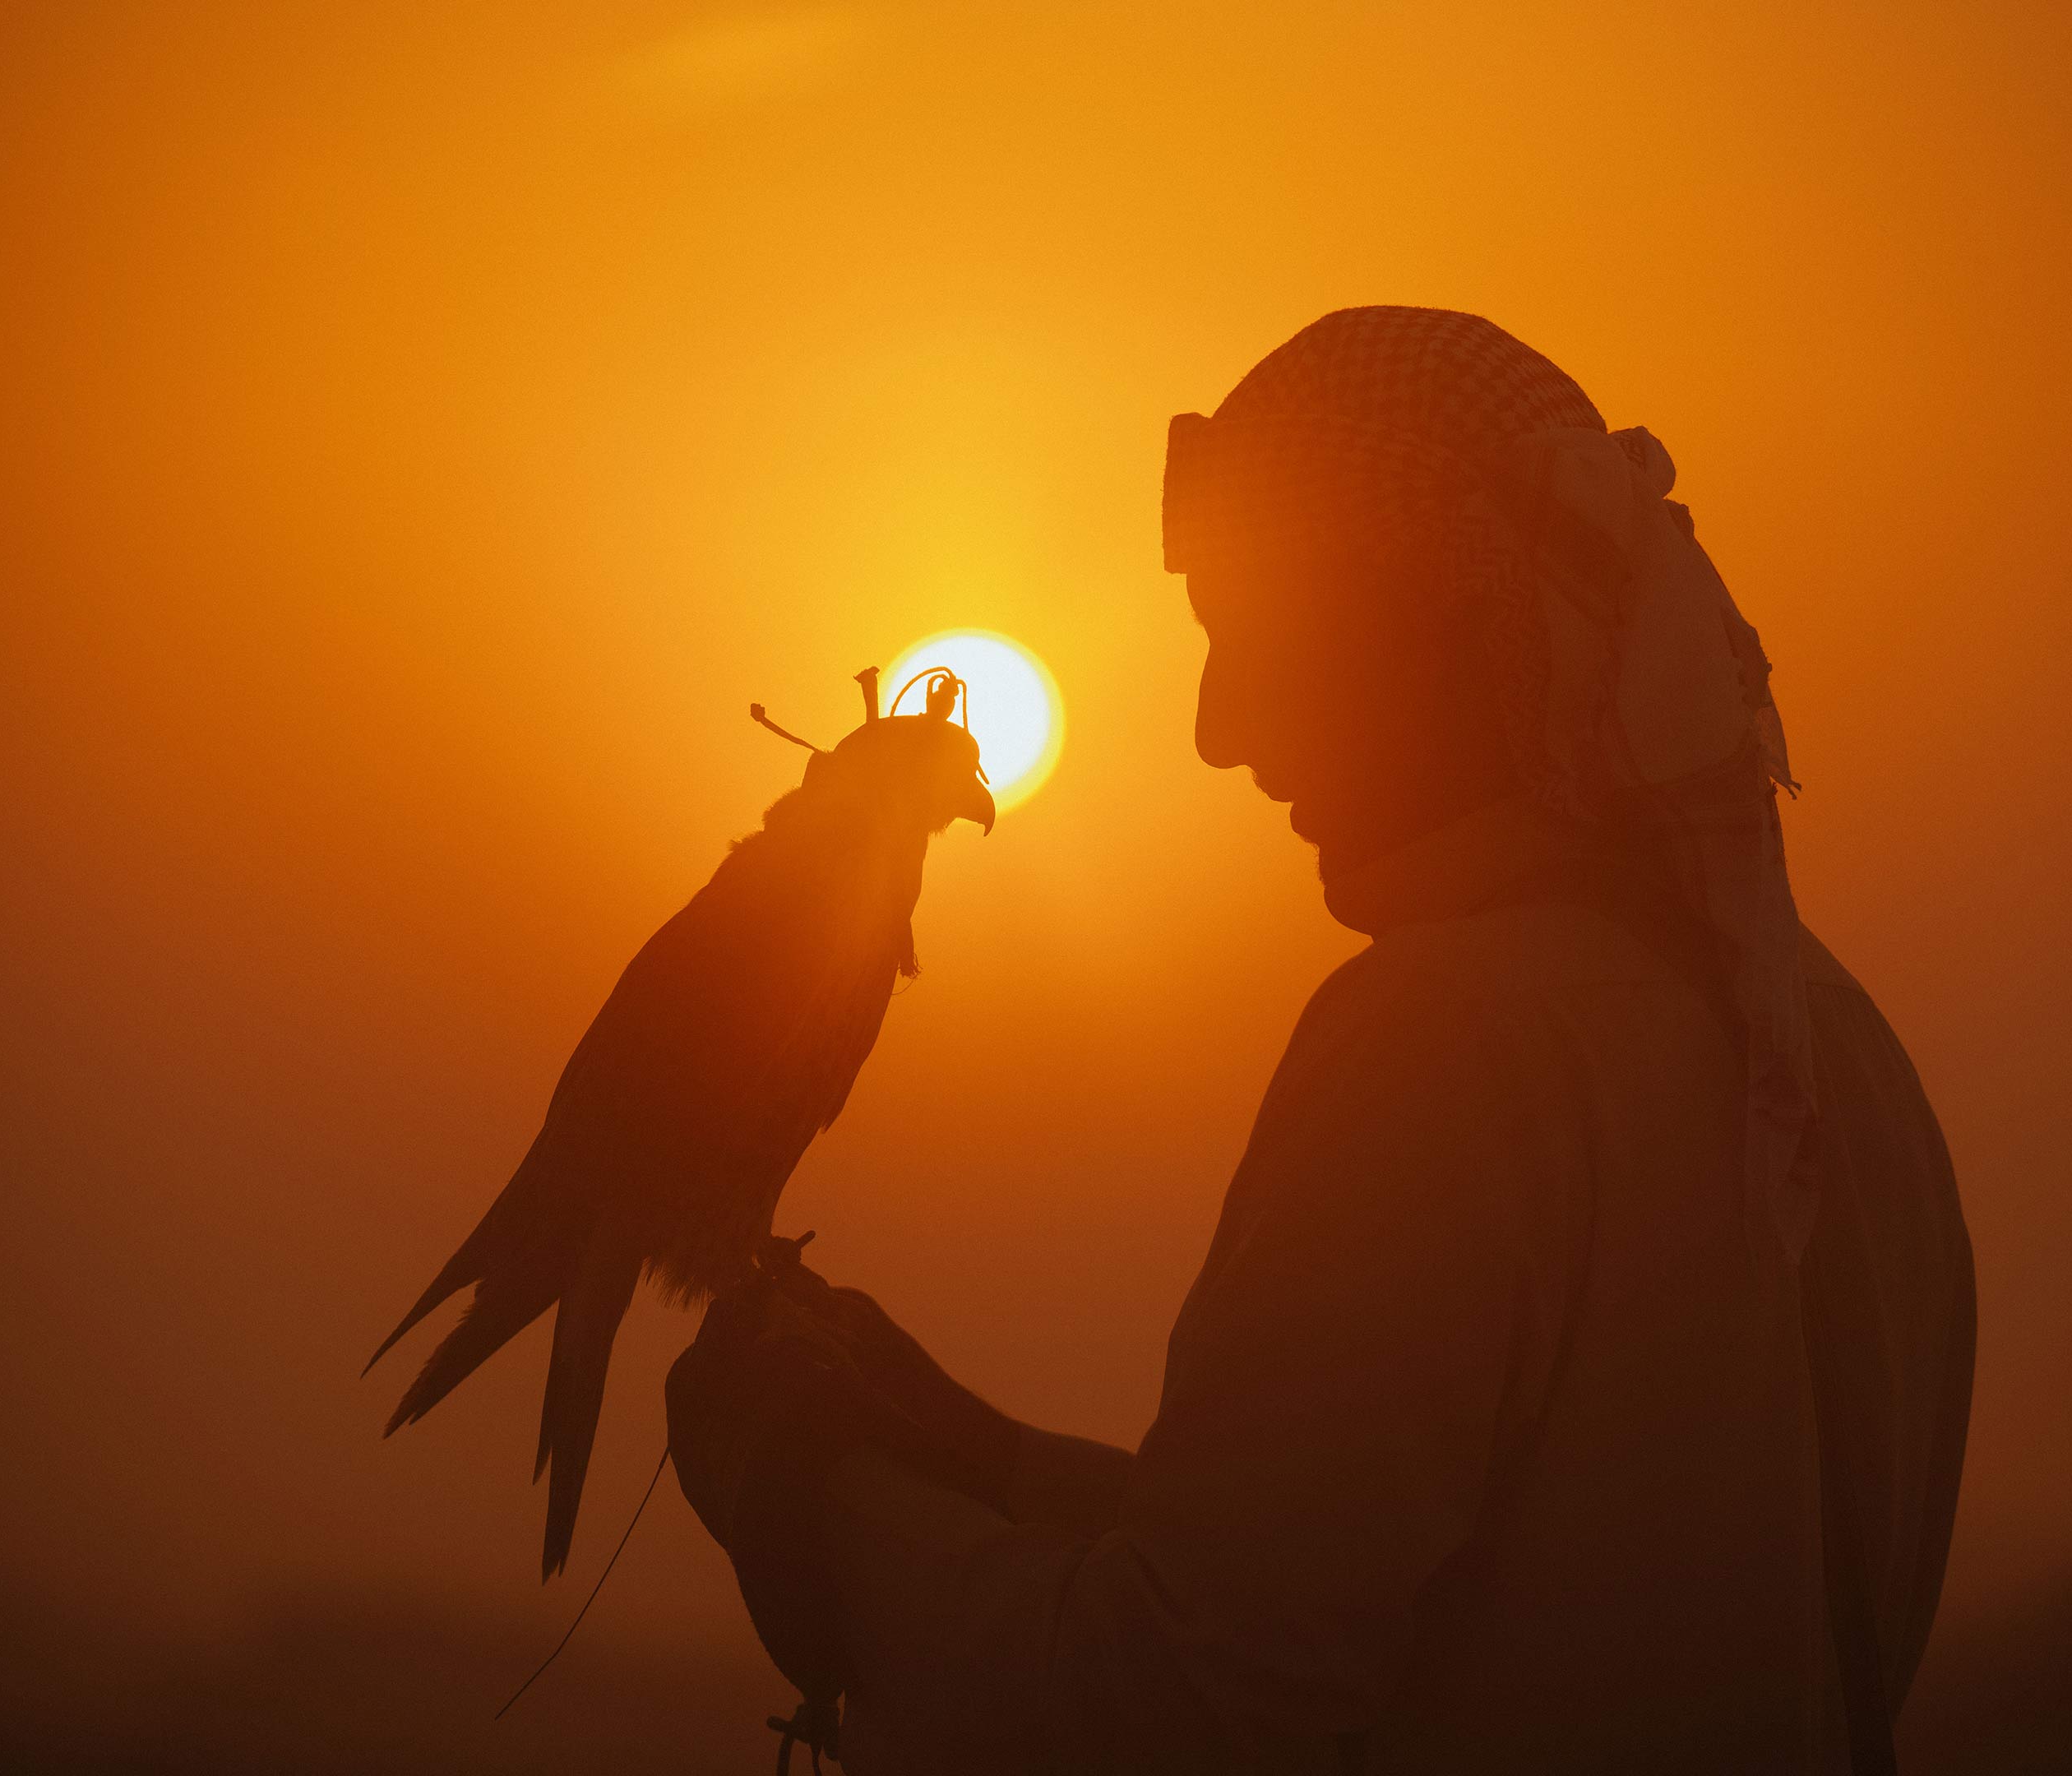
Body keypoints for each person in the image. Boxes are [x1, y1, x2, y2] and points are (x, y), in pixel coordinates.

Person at [668, 306, 1977, 1774]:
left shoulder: (1454, 1041)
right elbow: (1457, 1598)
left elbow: (1182, 1705)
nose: (1220, 730)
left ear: (1451, 627)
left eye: (1256, 640)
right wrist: (967, 1450)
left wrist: (814, 1498)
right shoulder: (1828, 1046)